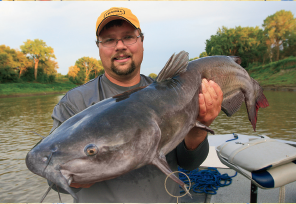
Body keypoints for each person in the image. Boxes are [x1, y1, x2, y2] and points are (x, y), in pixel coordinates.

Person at [49, 7, 223, 203]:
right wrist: (69, 176)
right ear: (98, 47)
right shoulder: (74, 102)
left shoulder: (173, 92)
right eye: (109, 40)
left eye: (128, 37)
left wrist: (200, 128)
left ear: (141, 41)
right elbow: (54, 178)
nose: (120, 46)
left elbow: (189, 163)